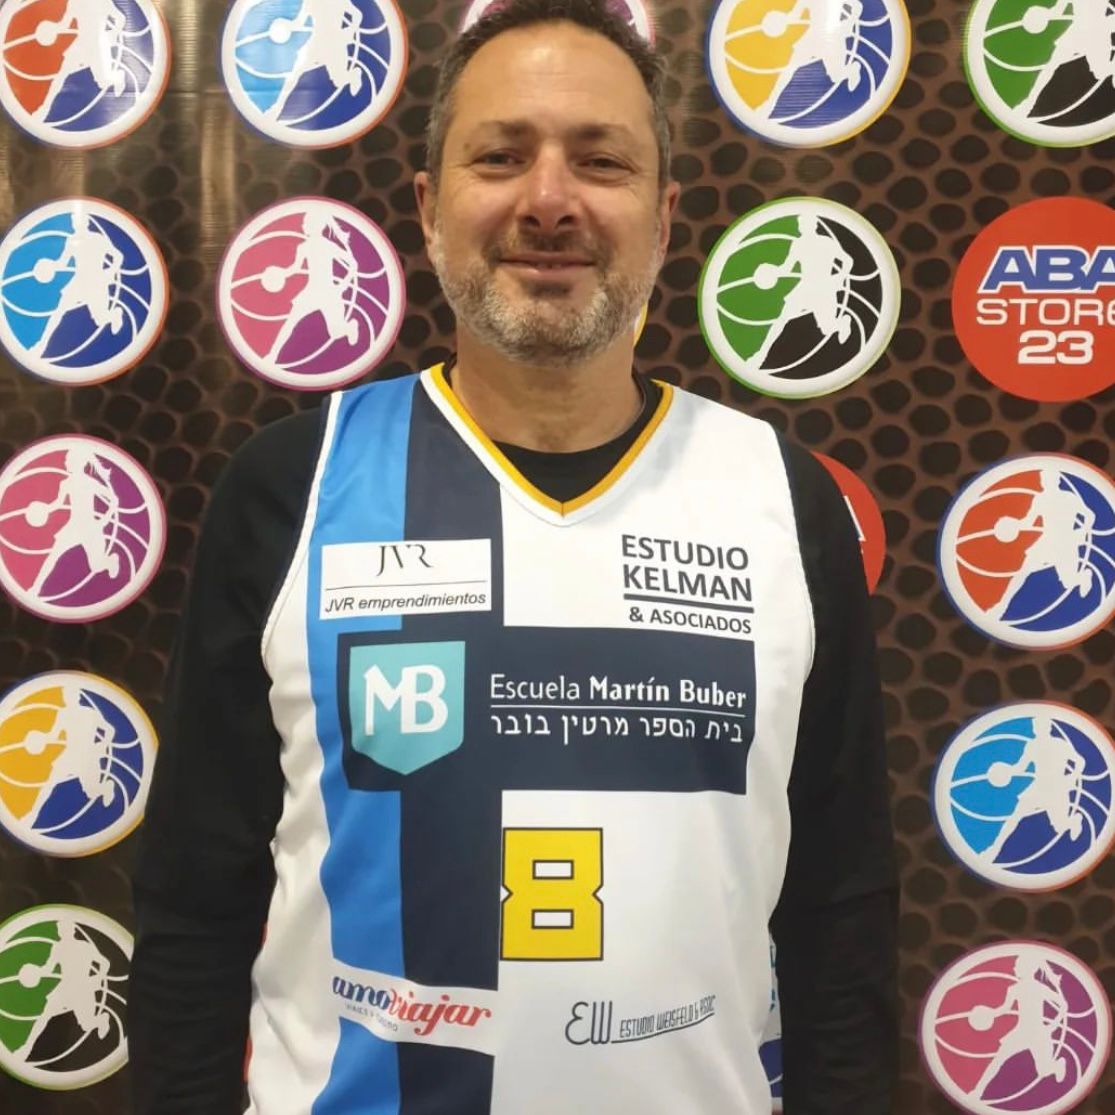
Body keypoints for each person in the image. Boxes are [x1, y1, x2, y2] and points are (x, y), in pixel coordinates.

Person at [129, 1, 898, 1112]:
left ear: (664, 216)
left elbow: (840, 908)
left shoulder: (782, 498)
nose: (548, 200)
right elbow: (195, 900)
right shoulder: (292, 485)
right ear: (428, 206)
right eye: (500, 156)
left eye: (600, 160)